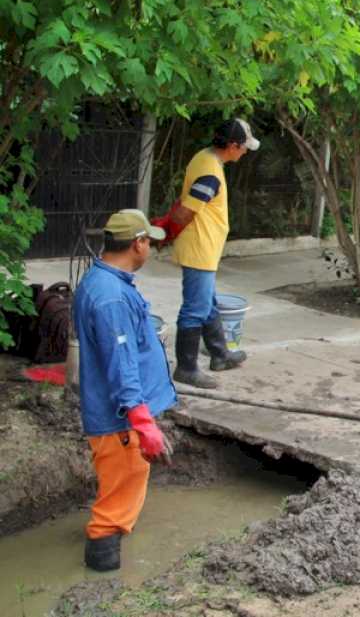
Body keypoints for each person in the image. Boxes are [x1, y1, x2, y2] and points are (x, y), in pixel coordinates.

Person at [72, 209, 176, 571]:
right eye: (150, 242)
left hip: (117, 412)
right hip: (118, 418)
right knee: (115, 504)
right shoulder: (111, 297)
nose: (150, 249)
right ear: (139, 243)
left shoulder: (106, 283)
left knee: (124, 483)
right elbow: (121, 362)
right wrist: (141, 420)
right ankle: (103, 578)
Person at [168, 118, 259, 388]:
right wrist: (169, 231)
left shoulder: (205, 157)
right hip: (200, 248)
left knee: (207, 303)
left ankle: (220, 355)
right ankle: (186, 368)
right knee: (195, 308)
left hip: (204, 247)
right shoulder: (209, 171)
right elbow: (187, 211)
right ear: (232, 146)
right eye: (244, 147)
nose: (244, 152)